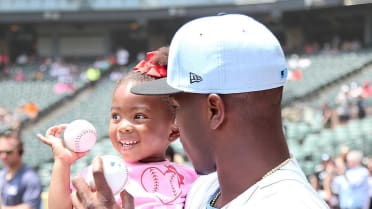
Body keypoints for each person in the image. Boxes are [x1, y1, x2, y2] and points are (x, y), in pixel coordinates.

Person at [70, 14, 329, 209]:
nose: (177, 127)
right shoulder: (204, 188)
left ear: (214, 110)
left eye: (178, 108)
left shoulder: (290, 203)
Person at [37, 47, 198, 209]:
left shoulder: (191, 178)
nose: (123, 127)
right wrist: (62, 163)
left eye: (139, 116)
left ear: (174, 131)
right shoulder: (101, 173)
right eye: (116, 116)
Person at [0, 130, 42, 209]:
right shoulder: (2, 174)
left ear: (20, 151)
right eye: (0, 152)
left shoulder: (30, 178)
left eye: (8, 152)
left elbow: (30, 207)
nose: (3, 156)